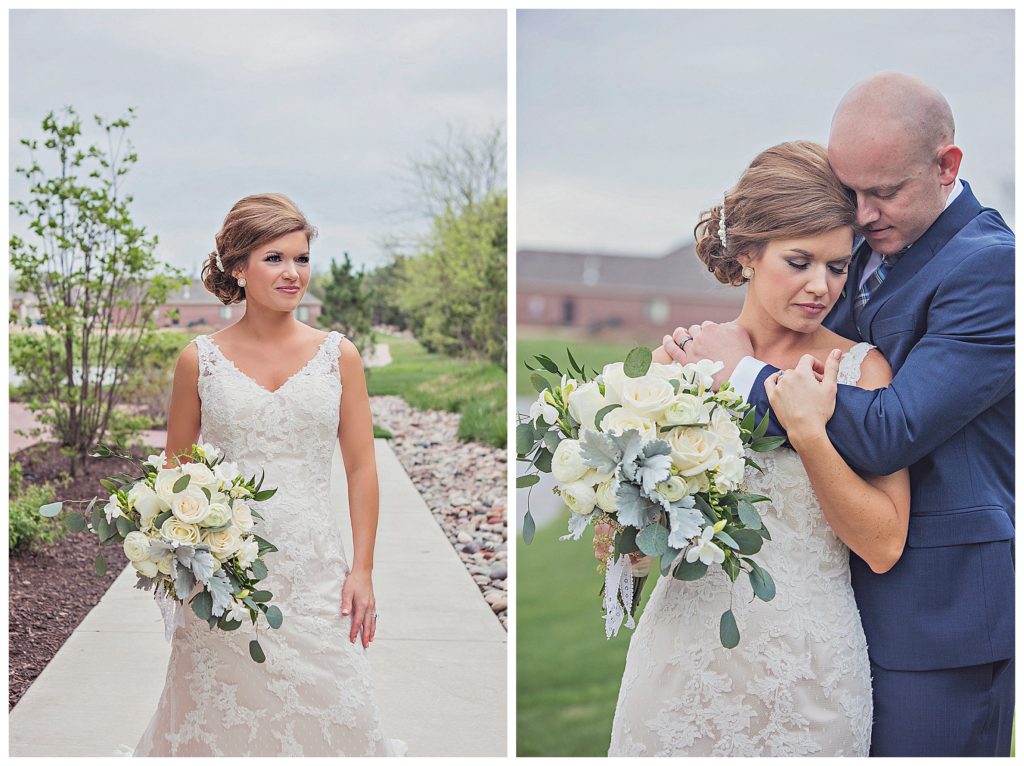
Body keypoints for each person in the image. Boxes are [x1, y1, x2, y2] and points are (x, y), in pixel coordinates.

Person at [663, 73, 1014, 757]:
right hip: (817, 609)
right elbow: (798, 328)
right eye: (850, 189)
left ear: (947, 167)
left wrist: (736, 374)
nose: (862, 213)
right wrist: (682, 379)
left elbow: (892, 429)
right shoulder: (861, 246)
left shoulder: (993, 269)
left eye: (883, 192)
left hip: (935, 617)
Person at [606, 141, 910, 757]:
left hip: (811, 671)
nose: (821, 287)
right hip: (681, 660)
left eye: (837, 266)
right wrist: (627, 533)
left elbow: (883, 545)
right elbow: (626, 552)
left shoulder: (861, 371)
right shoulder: (680, 361)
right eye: (799, 262)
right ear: (747, 254)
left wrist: (808, 433)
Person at [133, 193, 405, 756]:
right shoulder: (199, 360)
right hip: (225, 572)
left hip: (314, 571)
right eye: (274, 258)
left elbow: (360, 467)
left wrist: (363, 570)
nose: (293, 273)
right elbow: (175, 475)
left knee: (333, 702)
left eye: (301, 258)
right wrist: (186, 562)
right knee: (220, 711)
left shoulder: (339, 356)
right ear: (237, 267)